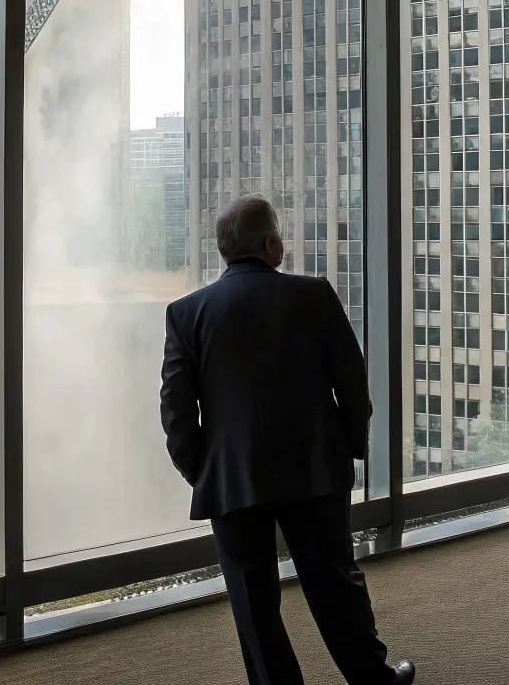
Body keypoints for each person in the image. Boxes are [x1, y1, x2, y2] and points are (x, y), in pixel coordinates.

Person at [160, 196, 414, 685]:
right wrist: (345, 449)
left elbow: (175, 411)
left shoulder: (186, 314)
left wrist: (205, 470)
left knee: (253, 604)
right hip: (316, 468)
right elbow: (353, 386)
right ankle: (372, 680)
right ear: (272, 244)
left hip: (232, 477)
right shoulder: (315, 295)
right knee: (334, 584)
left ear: (224, 251)